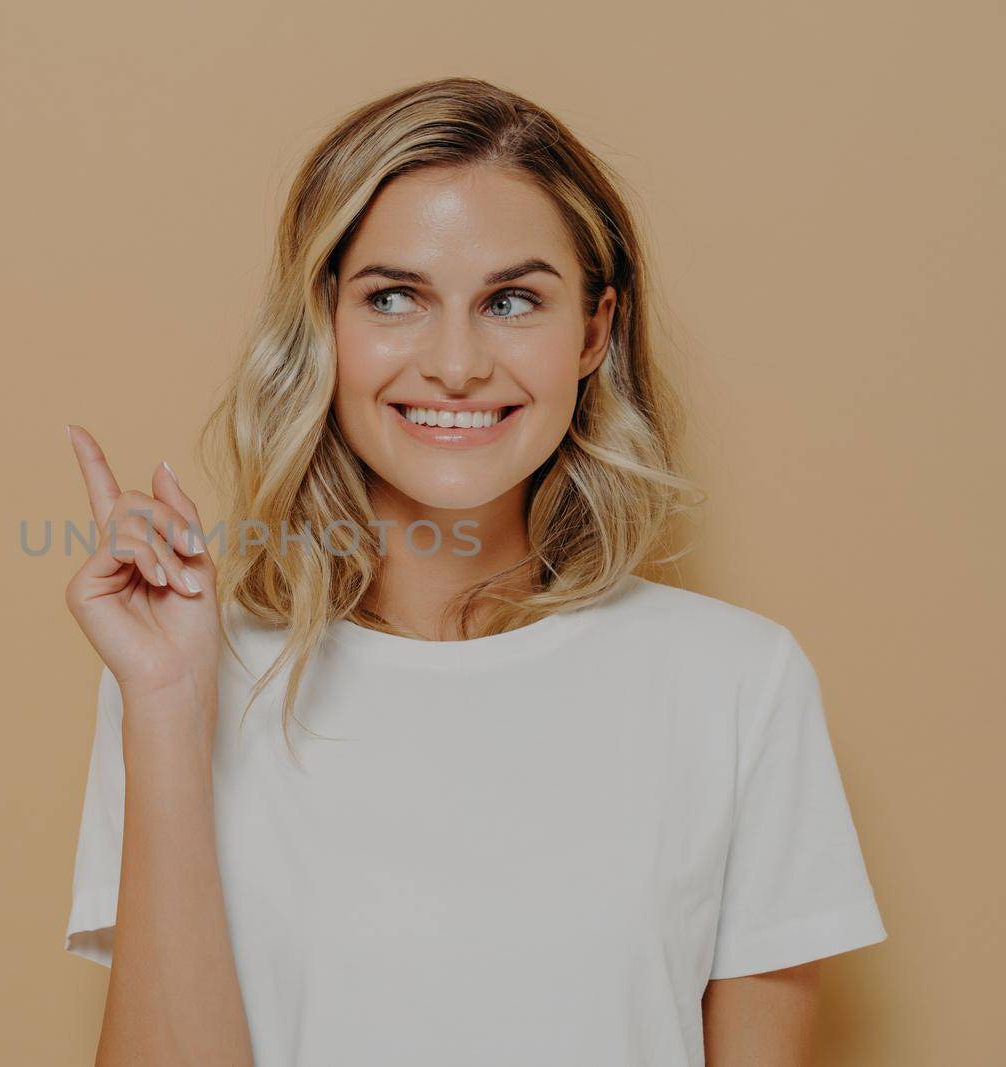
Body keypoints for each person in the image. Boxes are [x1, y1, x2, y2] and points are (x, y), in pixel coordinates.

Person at [59, 76, 888, 1067]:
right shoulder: (182, 674)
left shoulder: (736, 684)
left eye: (510, 299)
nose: (456, 363)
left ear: (593, 332)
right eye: (395, 296)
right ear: (325, 323)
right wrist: (165, 701)